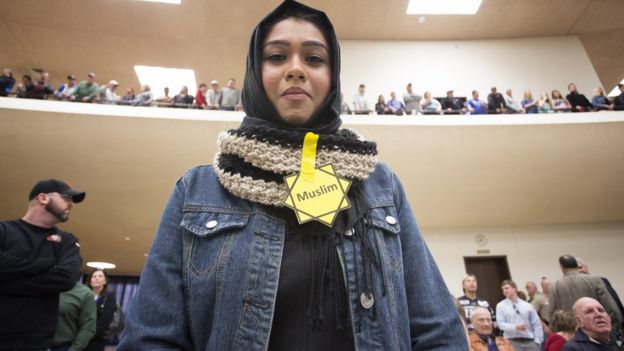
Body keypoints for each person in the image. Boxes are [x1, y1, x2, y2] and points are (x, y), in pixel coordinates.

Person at [118, 1, 467, 350]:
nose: (296, 70)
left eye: (314, 59)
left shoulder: (380, 184)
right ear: (255, 72)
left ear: (333, 78)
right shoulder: (196, 191)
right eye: (276, 56)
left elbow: (437, 329)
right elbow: (151, 339)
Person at [0, 179, 85, 349]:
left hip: (37, 341)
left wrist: (4, 282)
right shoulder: (4, 230)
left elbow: (66, 278)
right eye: (66, 198)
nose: (71, 205)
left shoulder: (67, 241)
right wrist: (47, 264)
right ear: (43, 198)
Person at [548, 255, 621, 331]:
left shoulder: (555, 286)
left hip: (571, 332)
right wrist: (613, 327)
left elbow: (552, 314)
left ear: (562, 268)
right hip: (597, 329)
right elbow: (610, 306)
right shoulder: (595, 280)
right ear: (577, 265)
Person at [496, 280, 543, 351]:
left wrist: (537, 341)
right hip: (512, 342)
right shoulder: (500, 306)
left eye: (507, 288)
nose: (504, 291)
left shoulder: (527, 305)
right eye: (503, 289)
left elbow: (536, 324)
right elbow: (500, 324)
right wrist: (515, 327)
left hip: (530, 342)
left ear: (514, 288)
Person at [52, 282, 97, 351]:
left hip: (63, 346)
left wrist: (74, 349)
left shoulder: (84, 293)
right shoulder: (39, 286)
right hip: (34, 344)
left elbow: (88, 326)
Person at [84, 269, 117, 351]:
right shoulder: (84, 295)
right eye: (94, 276)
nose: (96, 278)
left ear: (105, 281)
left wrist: (88, 334)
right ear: (90, 281)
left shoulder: (109, 296)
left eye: (100, 276)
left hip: (97, 338)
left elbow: (106, 319)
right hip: (79, 337)